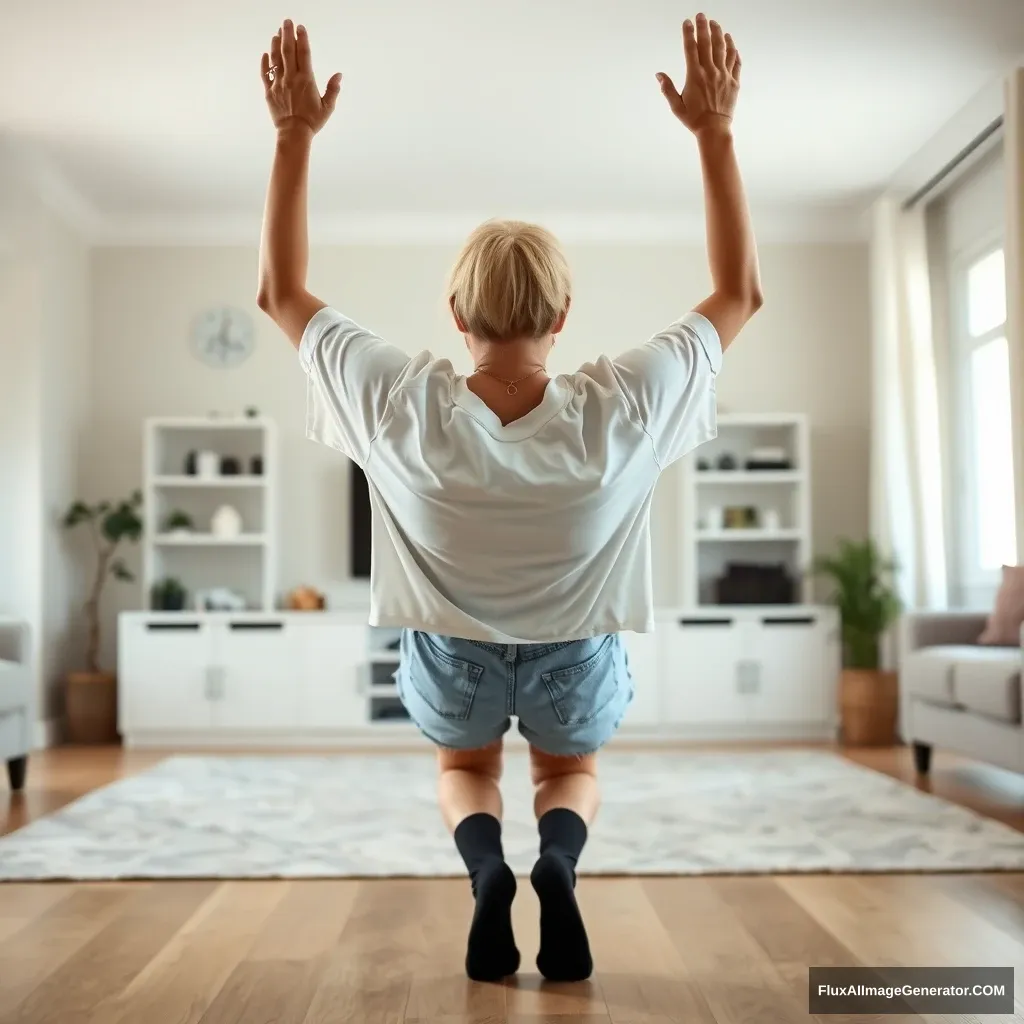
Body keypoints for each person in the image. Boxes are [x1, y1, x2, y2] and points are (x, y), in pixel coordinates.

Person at [256, 13, 761, 983]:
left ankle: (488, 874)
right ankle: (556, 862)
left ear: (455, 313)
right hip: (576, 645)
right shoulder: (623, 402)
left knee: (465, 770)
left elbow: (281, 291)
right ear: (563, 316)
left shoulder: (401, 400)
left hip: (452, 647)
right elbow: (737, 292)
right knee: (565, 771)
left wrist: (293, 136)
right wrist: (713, 132)